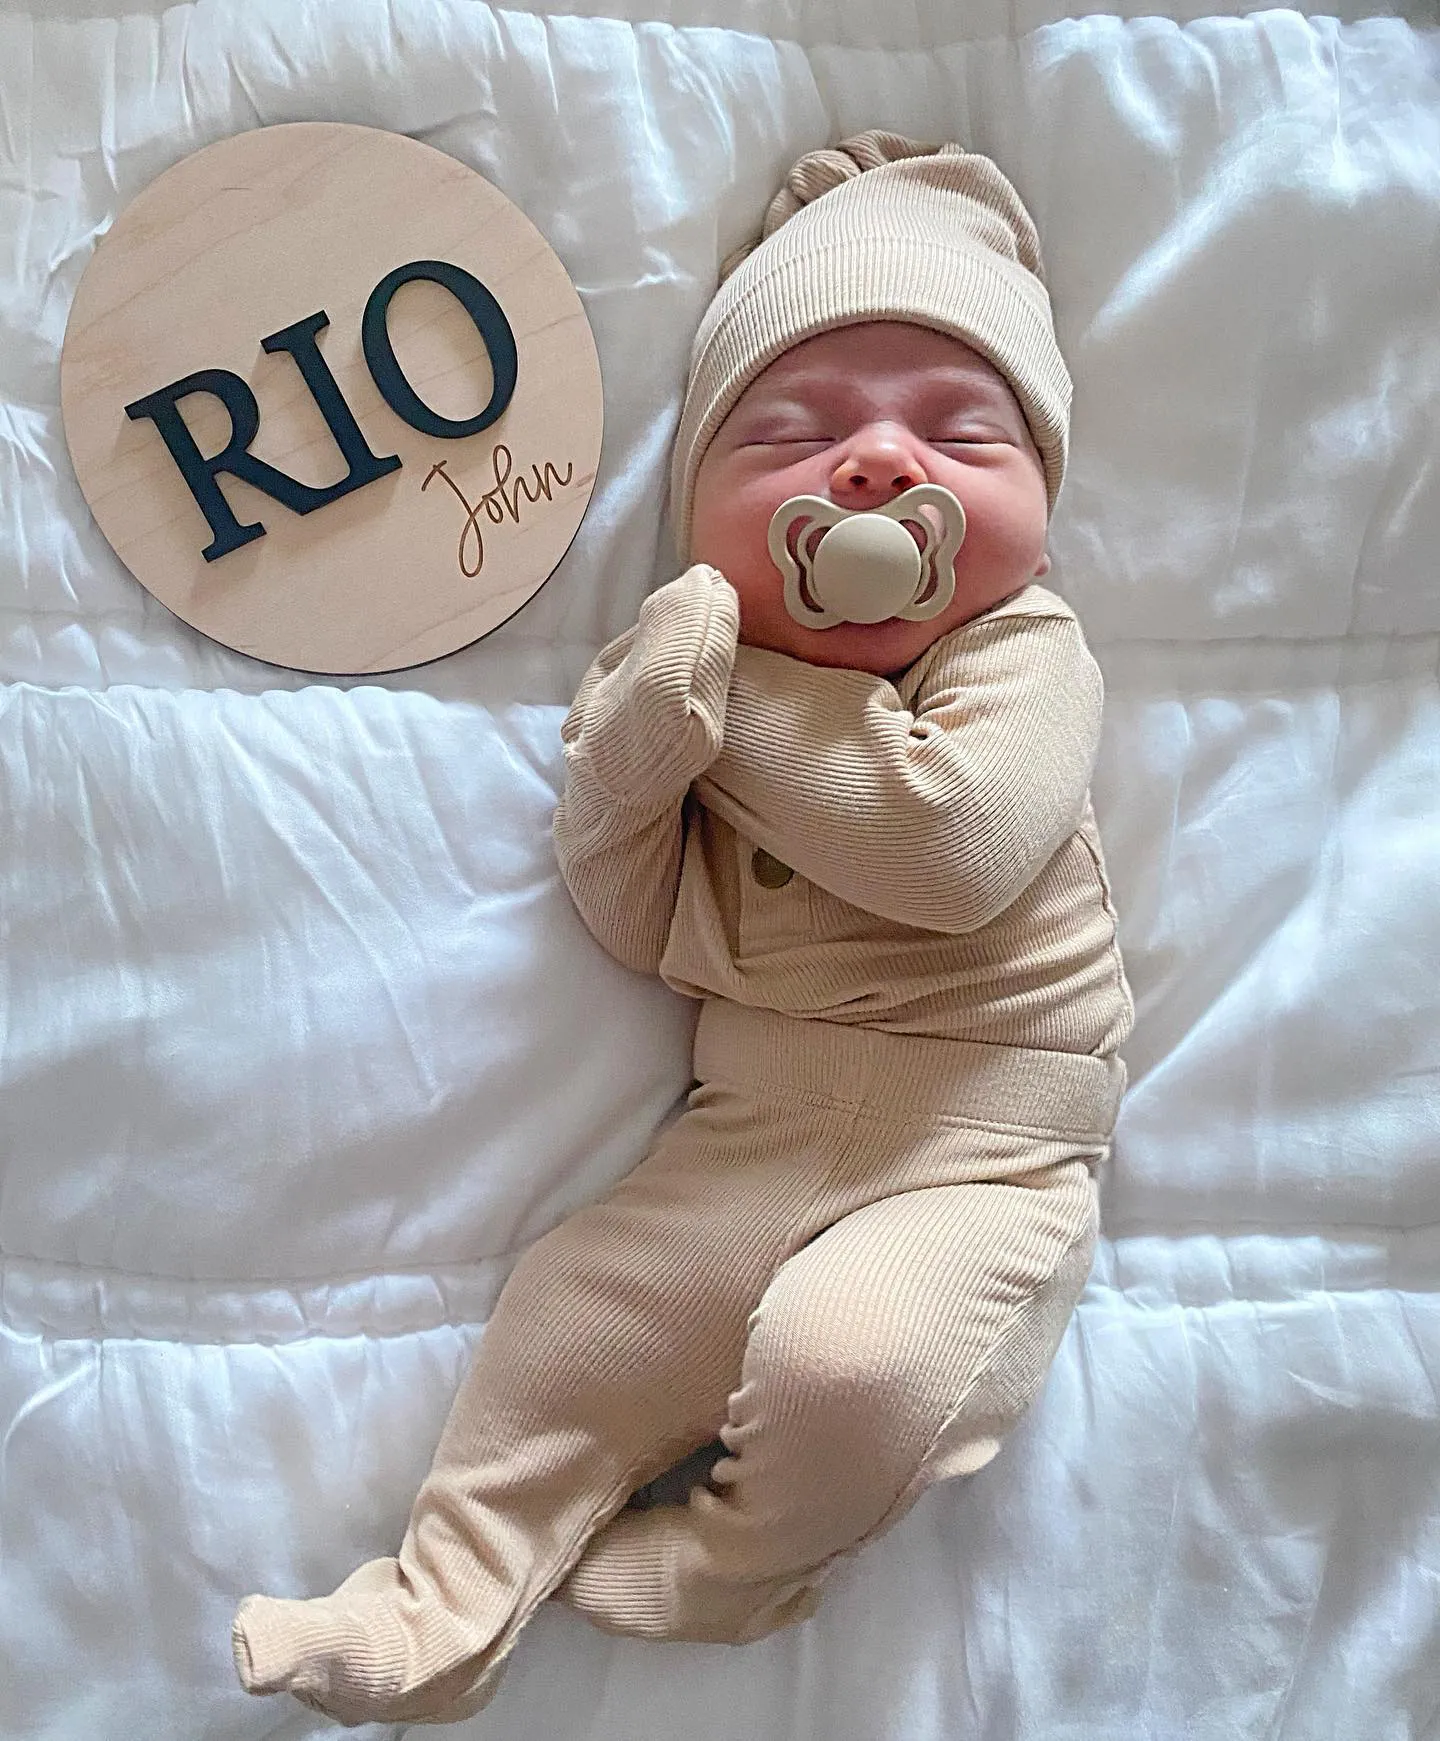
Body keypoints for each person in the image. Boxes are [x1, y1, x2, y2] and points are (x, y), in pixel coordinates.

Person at [232, 129, 1133, 1727]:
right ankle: (436, 1614)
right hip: (751, 1124)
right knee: (573, 1324)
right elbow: (642, 922)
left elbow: (950, 849)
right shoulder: (673, 684)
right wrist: (638, 753)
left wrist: (735, 697)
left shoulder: (1021, 652)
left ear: (1041, 515)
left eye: (960, 435)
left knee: (863, 1371)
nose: (877, 465)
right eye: (792, 433)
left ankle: (737, 1567)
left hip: (986, 1138)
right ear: (700, 514)